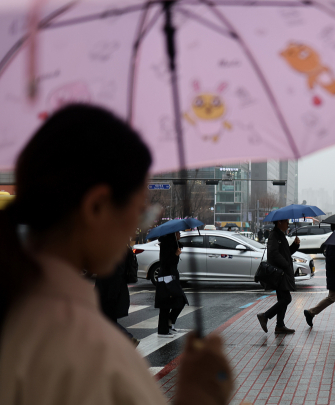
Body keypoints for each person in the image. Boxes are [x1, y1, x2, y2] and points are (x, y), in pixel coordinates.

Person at [0, 104, 232, 405]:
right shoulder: (95, 355)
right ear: (96, 207)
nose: (137, 227)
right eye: (140, 212)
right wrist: (196, 398)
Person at [256, 219, 300, 334]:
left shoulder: (280, 235)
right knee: (286, 298)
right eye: (286, 222)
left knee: (283, 299)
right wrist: (285, 264)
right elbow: (273, 254)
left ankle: (280, 325)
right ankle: (265, 316)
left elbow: (286, 253)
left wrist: (295, 246)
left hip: (283, 272)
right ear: (279, 222)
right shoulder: (274, 235)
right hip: (279, 273)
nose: (288, 224)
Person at [95, 244, 139, 346]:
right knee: (108, 318)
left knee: (105, 319)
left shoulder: (114, 249)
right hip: (112, 289)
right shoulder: (121, 247)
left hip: (109, 290)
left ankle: (127, 337)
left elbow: (116, 273)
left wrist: (111, 294)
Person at [155, 231, 188, 337]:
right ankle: (163, 330)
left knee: (180, 300)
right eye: (178, 233)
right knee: (166, 304)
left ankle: (169, 323)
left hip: (172, 277)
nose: (180, 234)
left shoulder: (174, 245)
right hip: (166, 278)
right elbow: (166, 262)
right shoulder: (166, 245)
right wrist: (176, 254)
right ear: (173, 234)